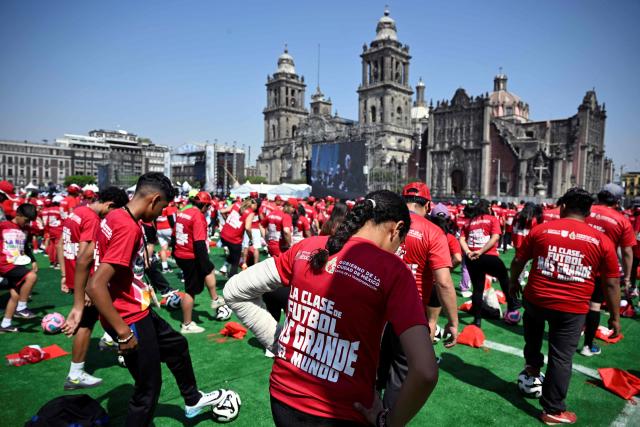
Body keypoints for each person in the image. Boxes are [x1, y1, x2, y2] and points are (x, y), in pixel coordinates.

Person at [224, 190, 438, 426]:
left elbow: (235, 290)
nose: (398, 249)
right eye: (401, 242)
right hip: (342, 411)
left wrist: (282, 344)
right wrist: (390, 422)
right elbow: (426, 371)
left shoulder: (307, 247)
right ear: (396, 229)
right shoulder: (394, 270)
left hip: (283, 397)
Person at [85, 173, 228, 425]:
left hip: (136, 310)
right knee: (147, 390)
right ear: (154, 200)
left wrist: (77, 306)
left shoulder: (116, 215)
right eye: (162, 208)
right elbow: (95, 285)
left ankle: (192, 399)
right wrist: (123, 332)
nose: (162, 214)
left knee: (176, 346)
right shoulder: (127, 226)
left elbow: (86, 258)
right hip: (128, 319)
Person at [509, 187, 621, 425]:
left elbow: (518, 260)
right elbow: (611, 284)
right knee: (560, 358)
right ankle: (552, 409)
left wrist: (512, 283)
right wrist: (614, 317)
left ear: (563, 207)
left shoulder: (541, 230)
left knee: (533, 338)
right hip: (572, 308)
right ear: (588, 213)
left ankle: (531, 369)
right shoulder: (601, 240)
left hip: (536, 299)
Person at [377, 184, 458, 410]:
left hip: (376, 309)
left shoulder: (385, 225)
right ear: (429, 205)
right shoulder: (433, 232)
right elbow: (443, 282)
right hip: (408, 317)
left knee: (371, 370)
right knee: (401, 374)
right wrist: (452, 322)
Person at [58, 187, 129, 389]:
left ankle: (110, 339)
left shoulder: (76, 212)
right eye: (114, 211)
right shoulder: (92, 220)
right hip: (86, 282)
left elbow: (61, 245)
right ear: (110, 205)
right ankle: (75, 374)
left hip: (74, 276)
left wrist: (64, 275)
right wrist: (90, 287)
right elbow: (85, 256)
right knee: (86, 325)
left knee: (102, 314)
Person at [580, 183, 635, 356]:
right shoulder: (621, 220)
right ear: (617, 201)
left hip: (577, 262)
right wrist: (627, 277)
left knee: (573, 301)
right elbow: (627, 252)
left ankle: (564, 336)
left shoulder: (584, 210)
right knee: (594, 306)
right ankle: (588, 346)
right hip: (600, 268)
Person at [460, 199, 521, 327]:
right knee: (504, 276)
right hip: (488, 256)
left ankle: (477, 320)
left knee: (478, 289)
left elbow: (462, 238)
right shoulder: (492, 219)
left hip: (472, 258)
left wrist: (468, 252)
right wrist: (481, 251)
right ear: (487, 207)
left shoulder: (469, 222)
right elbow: (496, 237)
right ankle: (512, 304)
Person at [174, 191, 224, 334]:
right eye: (207, 206)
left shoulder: (184, 212)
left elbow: (174, 235)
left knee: (206, 273)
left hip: (181, 252)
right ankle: (187, 324)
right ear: (204, 205)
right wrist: (205, 263)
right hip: (190, 255)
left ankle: (215, 298)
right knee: (190, 291)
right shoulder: (197, 216)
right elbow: (199, 243)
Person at [0, 203, 38, 332]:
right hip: (4, 264)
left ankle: (5, 324)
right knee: (31, 276)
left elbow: (26, 247)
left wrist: (33, 260)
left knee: (15, 294)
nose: (27, 223)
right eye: (26, 220)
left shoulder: (25, 230)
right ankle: (21, 308)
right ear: (18, 215)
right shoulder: (3, 225)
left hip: (16, 264)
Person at [219, 197, 257, 277]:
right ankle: (232, 278)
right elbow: (247, 227)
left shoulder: (236, 204)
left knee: (234, 253)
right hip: (234, 238)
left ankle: (224, 267)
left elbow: (222, 211)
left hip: (224, 234)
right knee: (235, 260)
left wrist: (227, 221)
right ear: (253, 205)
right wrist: (251, 238)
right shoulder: (250, 213)